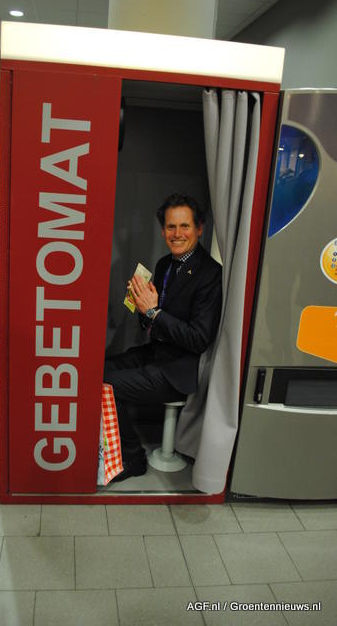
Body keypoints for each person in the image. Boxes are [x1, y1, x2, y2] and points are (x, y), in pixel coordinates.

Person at [104, 193, 222, 481]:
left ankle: (133, 459)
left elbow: (198, 339)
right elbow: (151, 321)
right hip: (157, 352)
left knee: (107, 385)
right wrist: (141, 305)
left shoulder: (211, 274)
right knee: (99, 369)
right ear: (163, 231)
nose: (177, 233)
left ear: (199, 229)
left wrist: (154, 312)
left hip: (181, 369)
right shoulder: (164, 264)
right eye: (171, 226)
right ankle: (107, 447)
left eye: (184, 226)